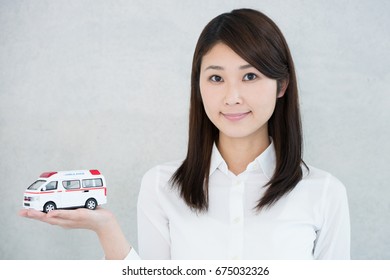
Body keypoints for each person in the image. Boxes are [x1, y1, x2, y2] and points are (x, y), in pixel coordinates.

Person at [19, 8, 350, 260]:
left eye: (250, 77)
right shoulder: (161, 186)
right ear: (199, 86)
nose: (232, 96)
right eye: (216, 78)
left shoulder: (324, 194)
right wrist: (106, 230)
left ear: (282, 85)